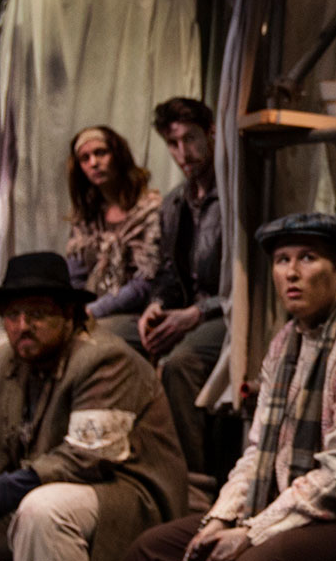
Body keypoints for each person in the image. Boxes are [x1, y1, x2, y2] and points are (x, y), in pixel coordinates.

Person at [125, 212, 336, 561]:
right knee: (152, 549)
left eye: (307, 257)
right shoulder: (286, 343)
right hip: (288, 507)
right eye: (281, 260)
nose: (291, 273)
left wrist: (251, 532)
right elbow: (258, 452)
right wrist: (219, 519)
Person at [0, 252, 184, 561]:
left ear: (68, 313)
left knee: (41, 510)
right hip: (43, 483)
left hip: (123, 496)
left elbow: (85, 460)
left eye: (37, 314)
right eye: (12, 315)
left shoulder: (103, 358)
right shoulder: (7, 359)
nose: (23, 326)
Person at [135, 98, 228, 477]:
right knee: (107, 339)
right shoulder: (175, 201)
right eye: (173, 144)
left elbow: (246, 278)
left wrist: (196, 314)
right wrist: (155, 306)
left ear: (210, 134)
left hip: (227, 310)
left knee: (180, 364)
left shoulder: (233, 195)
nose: (183, 152)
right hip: (185, 309)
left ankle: (189, 480)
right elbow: (168, 271)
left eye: (190, 139)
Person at [66, 125, 164, 344]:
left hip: (134, 312)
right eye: (85, 158)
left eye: (101, 153)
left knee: (88, 339)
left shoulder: (149, 210)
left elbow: (145, 282)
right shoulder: (87, 218)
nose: (94, 163)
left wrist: (94, 310)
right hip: (89, 309)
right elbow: (75, 277)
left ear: (117, 155)